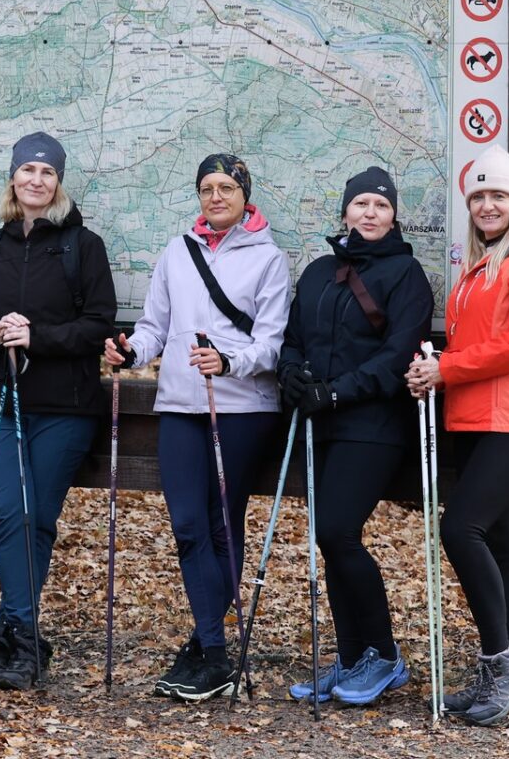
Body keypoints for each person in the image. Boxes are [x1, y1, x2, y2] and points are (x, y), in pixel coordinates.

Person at [105, 153, 290, 702]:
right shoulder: (177, 252)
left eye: (226, 187)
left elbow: (272, 343)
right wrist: (130, 349)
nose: (215, 197)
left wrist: (229, 362)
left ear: (244, 195)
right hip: (182, 404)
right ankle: (212, 651)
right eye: (206, 188)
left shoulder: (269, 259)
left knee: (221, 527)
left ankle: (209, 649)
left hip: (242, 408)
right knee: (187, 525)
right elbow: (153, 327)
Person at [406, 145, 509, 727]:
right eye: (478, 197)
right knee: (497, 545)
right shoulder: (480, 265)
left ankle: (501, 663)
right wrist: (435, 367)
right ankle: (504, 665)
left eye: (498, 195)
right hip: (471, 417)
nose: (488, 205)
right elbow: (474, 342)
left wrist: (446, 369)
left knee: (460, 528)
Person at [0, 132, 116, 690]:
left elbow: (98, 323)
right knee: (12, 511)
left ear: (58, 182)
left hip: (63, 408)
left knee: (36, 518)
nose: (36, 180)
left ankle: (11, 635)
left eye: (47, 172)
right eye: (27, 171)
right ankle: (22, 637)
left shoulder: (82, 247)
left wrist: (36, 335)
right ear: (13, 179)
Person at [276, 166, 433, 706]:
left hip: (374, 425)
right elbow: (293, 336)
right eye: (361, 203)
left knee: (338, 531)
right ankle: (349, 661)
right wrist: (291, 373)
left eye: (381, 206)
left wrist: (338, 391)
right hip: (320, 422)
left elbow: (397, 356)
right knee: (328, 536)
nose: (370, 213)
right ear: (345, 211)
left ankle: (385, 657)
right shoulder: (320, 271)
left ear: (393, 216)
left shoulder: (406, 274)